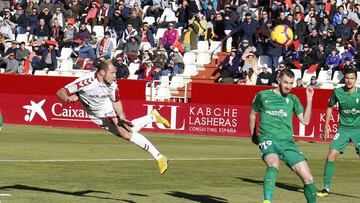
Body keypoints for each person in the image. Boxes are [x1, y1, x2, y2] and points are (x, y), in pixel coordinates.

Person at [56, 59, 169, 174]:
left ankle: (159, 157)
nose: (115, 76)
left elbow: (116, 101)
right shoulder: (86, 81)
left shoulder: (112, 84)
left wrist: (121, 115)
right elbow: (61, 92)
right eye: (112, 73)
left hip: (107, 109)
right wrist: (68, 99)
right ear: (101, 73)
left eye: (115, 73)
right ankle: (152, 117)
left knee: (125, 132)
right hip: (95, 116)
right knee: (129, 131)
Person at [249, 69, 317, 203]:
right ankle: (267, 201)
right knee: (273, 164)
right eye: (286, 82)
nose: (288, 86)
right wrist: (253, 135)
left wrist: (309, 99)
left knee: (308, 178)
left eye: (291, 83)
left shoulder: (293, 99)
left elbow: (305, 121)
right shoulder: (262, 95)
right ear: (279, 80)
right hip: (268, 139)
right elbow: (252, 114)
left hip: (287, 143)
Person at [317, 68, 360, 197]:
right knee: (331, 155)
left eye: (352, 78)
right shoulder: (337, 92)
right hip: (343, 129)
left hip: (359, 129)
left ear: (356, 80)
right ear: (344, 79)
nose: (349, 80)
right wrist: (326, 127)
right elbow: (330, 107)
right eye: (347, 78)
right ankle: (326, 189)